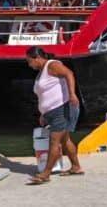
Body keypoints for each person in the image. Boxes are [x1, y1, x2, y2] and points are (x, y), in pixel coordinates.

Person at [24, 46, 83, 184]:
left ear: (36, 58)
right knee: (65, 140)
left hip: (61, 109)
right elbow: (44, 94)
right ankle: (76, 167)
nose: (29, 65)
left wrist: (73, 94)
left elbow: (69, 74)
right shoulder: (42, 71)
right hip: (51, 111)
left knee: (54, 141)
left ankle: (45, 174)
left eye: (29, 61)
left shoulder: (53, 65)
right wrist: (43, 113)